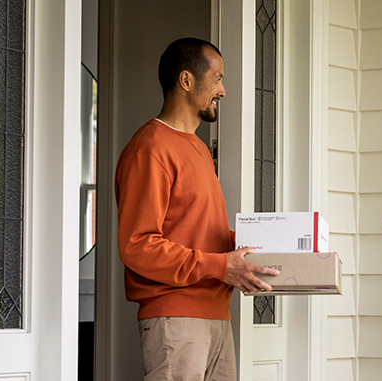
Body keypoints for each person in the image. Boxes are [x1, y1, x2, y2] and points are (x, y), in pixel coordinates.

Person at [115, 37, 279, 381]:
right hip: (176, 320)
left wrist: (266, 243)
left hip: (217, 316)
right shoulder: (150, 149)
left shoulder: (200, 150)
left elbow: (203, 232)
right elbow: (137, 245)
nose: (223, 90)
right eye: (217, 78)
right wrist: (220, 265)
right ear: (186, 81)